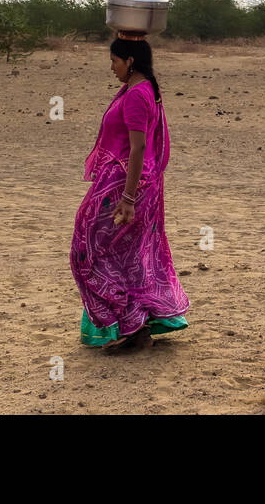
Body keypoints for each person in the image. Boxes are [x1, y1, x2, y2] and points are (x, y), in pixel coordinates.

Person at [70, 34, 189, 350]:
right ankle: (136, 326)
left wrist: (128, 198)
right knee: (128, 256)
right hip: (132, 184)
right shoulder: (145, 88)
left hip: (126, 186)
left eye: (114, 60)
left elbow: (137, 148)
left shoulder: (137, 95)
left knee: (87, 249)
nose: (112, 67)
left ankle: (129, 325)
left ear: (130, 61)